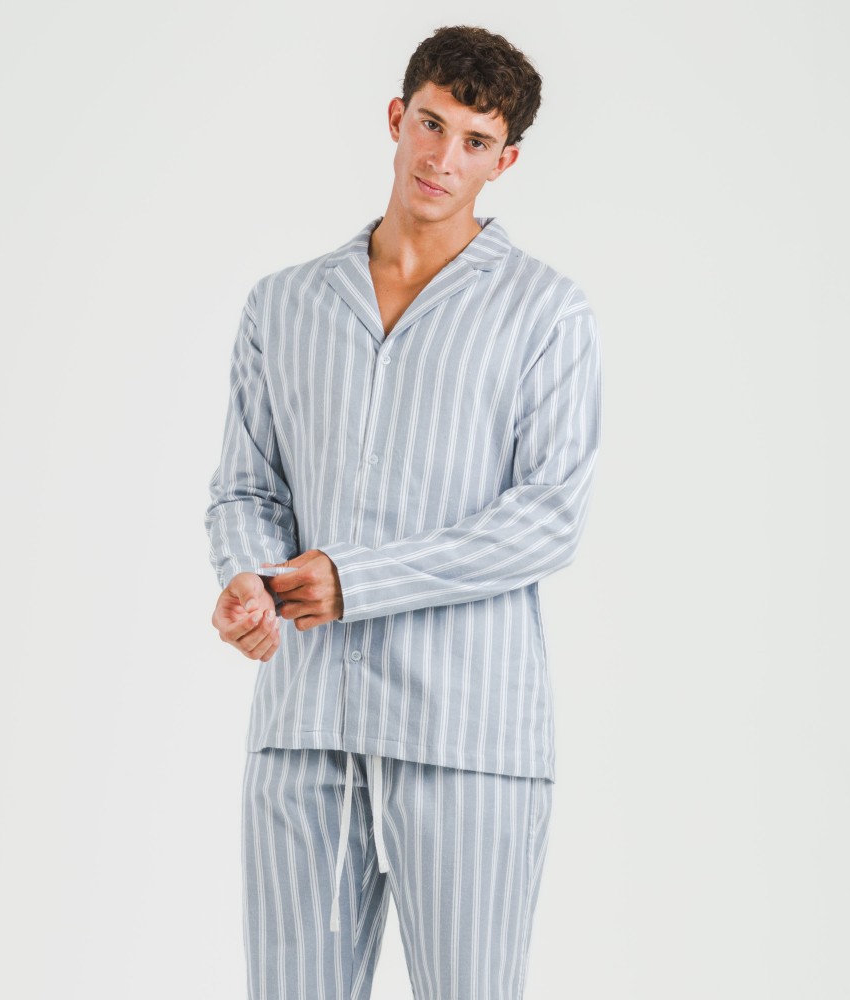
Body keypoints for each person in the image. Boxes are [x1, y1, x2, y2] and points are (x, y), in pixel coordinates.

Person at [203, 23, 602, 1000]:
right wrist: (250, 579)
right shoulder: (283, 306)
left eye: (475, 140)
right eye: (431, 123)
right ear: (397, 116)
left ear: (505, 160)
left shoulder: (545, 314)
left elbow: (549, 514)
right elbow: (248, 487)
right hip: (305, 725)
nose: (442, 157)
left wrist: (358, 579)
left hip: (468, 735)